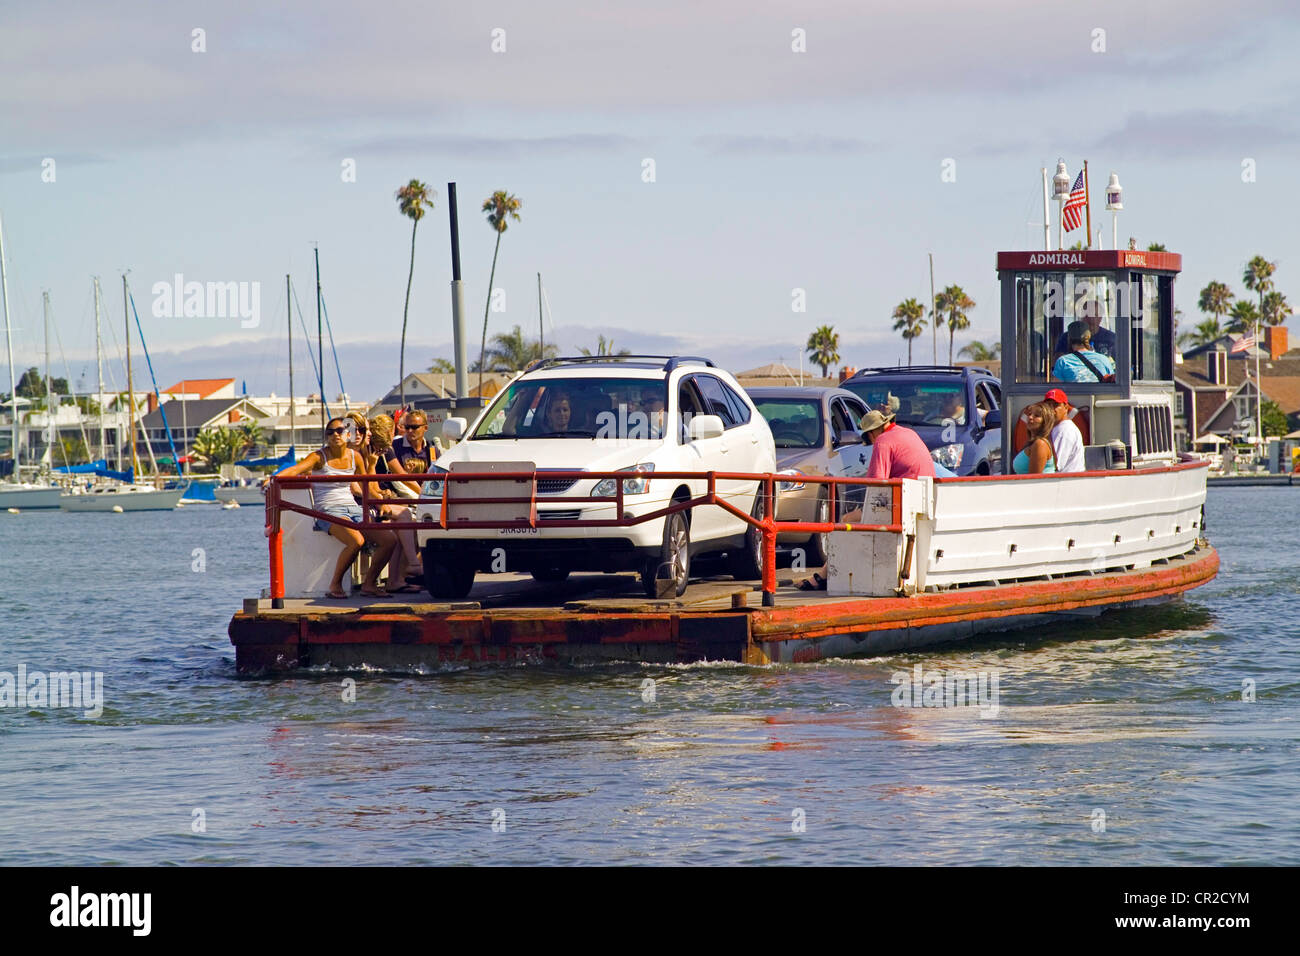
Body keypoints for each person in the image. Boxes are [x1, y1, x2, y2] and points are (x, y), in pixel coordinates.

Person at [800, 406, 934, 591]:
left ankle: (825, 576)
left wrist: (862, 509)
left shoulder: (884, 441)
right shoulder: (908, 433)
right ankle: (828, 574)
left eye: (868, 436)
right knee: (857, 519)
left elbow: (876, 483)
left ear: (873, 432)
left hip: (899, 502)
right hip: (920, 499)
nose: (870, 440)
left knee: (847, 521)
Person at [279, 417, 397, 599]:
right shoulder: (319, 457)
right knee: (356, 540)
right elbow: (295, 470)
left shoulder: (355, 457)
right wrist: (273, 480)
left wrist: (382, 503)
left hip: (352, 508)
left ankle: (369, 583)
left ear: (348, 434)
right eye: (330, 432)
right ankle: (335, 584)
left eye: (339, 431)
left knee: (389, 540)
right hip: (327, 510)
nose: (335, 435)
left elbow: (365, 486)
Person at [861, 407, 937, 480]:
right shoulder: (909, 432)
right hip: (928, 487)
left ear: (870, 433)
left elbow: (875, 480)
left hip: (905, 489)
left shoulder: (882, 440)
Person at [1052, 321, 1117, 383]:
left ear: (1069, 339)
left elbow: (1056, 389)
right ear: (1088, 337)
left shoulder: (1063, 361)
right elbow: (1112, 381)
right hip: (1099, 394)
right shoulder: (1104, 359)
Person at [1043, 388, 1084, 472]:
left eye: (1055, 405)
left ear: (1066, 407)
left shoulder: (1065, 430)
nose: (1051, 409)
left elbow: (1056, 466)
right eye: (1048, 405)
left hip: (1066, 482)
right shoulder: (1058, 428)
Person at [1011, 402, 1057, 474]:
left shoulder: (1040, 444)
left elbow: (1034, 480)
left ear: (1045, 422)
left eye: (1037, 415)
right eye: (1029, 414)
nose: (1030, 417)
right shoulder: (1032, 444)